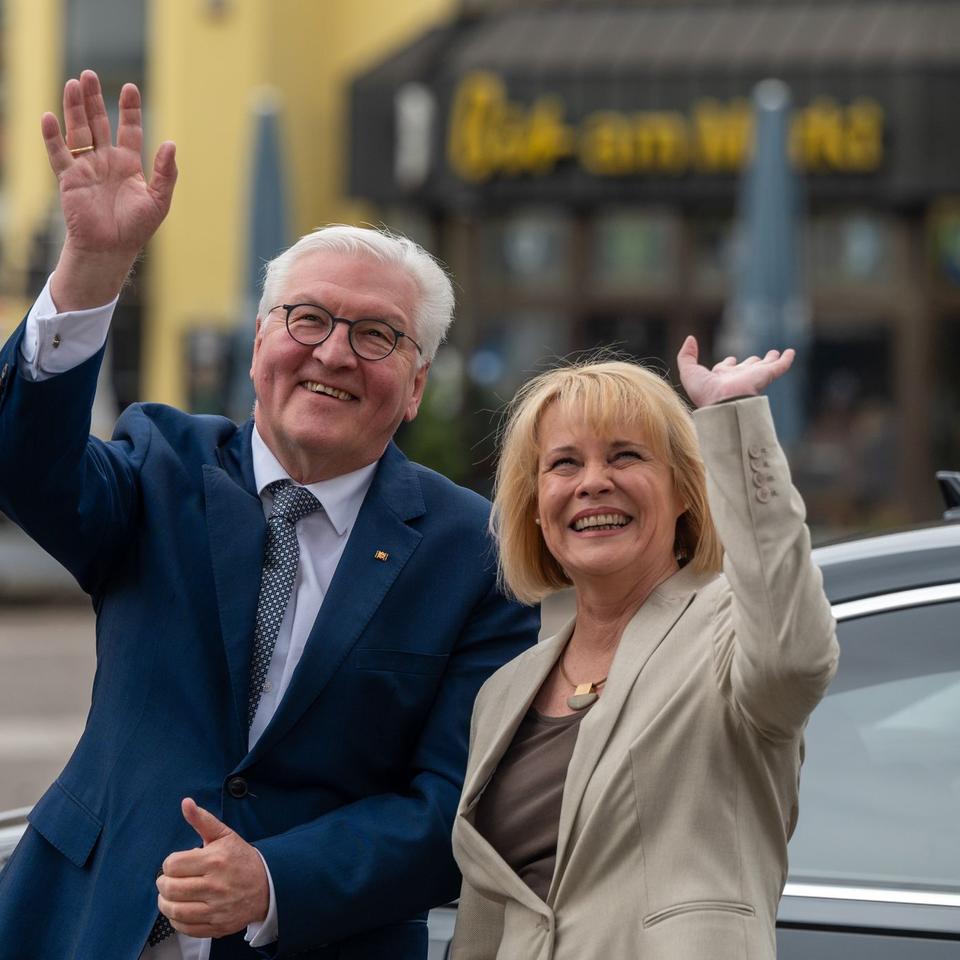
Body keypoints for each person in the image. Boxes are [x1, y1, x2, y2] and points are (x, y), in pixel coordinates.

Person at [0, 70, 538, 960]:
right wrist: (91, 272)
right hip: (87, 925)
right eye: (308, 318)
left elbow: (456, 803)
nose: (334, 352)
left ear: (414, 387)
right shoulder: (161, 466)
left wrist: (276, 879)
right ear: (259, 345)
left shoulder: (472, 554)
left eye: (377, 335)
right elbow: (26, 468)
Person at [450, 344, 839, 959]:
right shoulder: (504, 692)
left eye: (625, 456)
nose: (593, 483)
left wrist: (734, 425)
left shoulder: (730, 630)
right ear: (537, 506)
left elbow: (795, 656)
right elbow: (485, 920)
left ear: (686, 490)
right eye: (564, 464)